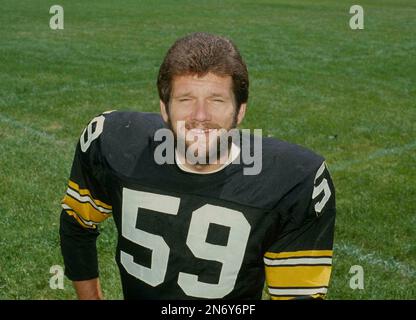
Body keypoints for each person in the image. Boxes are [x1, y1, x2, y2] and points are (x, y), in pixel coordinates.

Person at [59, 32, 336, 300]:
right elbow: (77, 224)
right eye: (185, 99)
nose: (200, 116)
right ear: (164, 109)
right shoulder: (113, 142)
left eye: (216, 100)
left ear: (240, 110)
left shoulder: (294, 180)